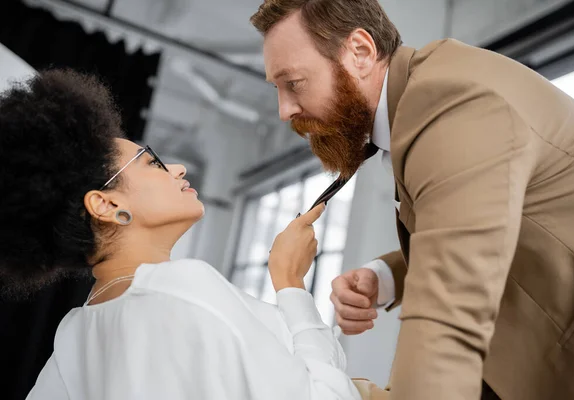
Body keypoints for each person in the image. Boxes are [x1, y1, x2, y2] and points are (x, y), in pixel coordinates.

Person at [250, 1, 574, 399]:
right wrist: (386, 275)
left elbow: (445, 321)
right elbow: (484, 224)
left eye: (293, 82)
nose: (284, 110)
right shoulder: (421, 98)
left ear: (361, 52)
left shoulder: (453, 104)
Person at [0, 69, 364, 400]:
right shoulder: (181, 286)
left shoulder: (75, 334)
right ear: (106, 205)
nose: (177, 168)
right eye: (151, 162)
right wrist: (291, 282)